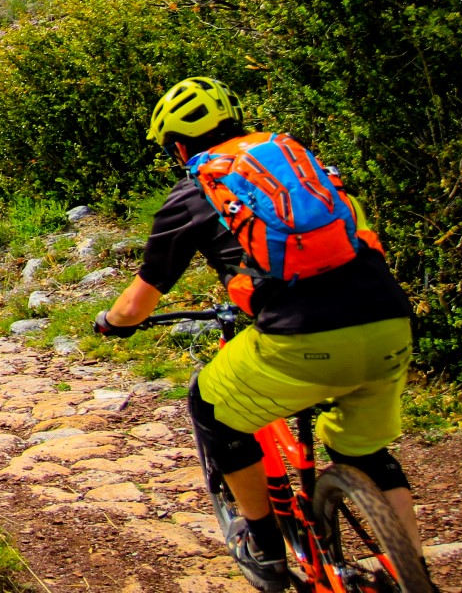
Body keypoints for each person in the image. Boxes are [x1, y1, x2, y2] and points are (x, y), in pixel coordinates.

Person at [94, 77, 418, 592]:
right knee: (368, 454)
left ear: (177, 146)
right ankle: (412, 576)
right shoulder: (301, 166)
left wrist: (110, 323)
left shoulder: (195, 190)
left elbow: (136, 304)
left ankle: (263, 544)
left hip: (299, 336)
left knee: (209, 404)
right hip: (389, 323)